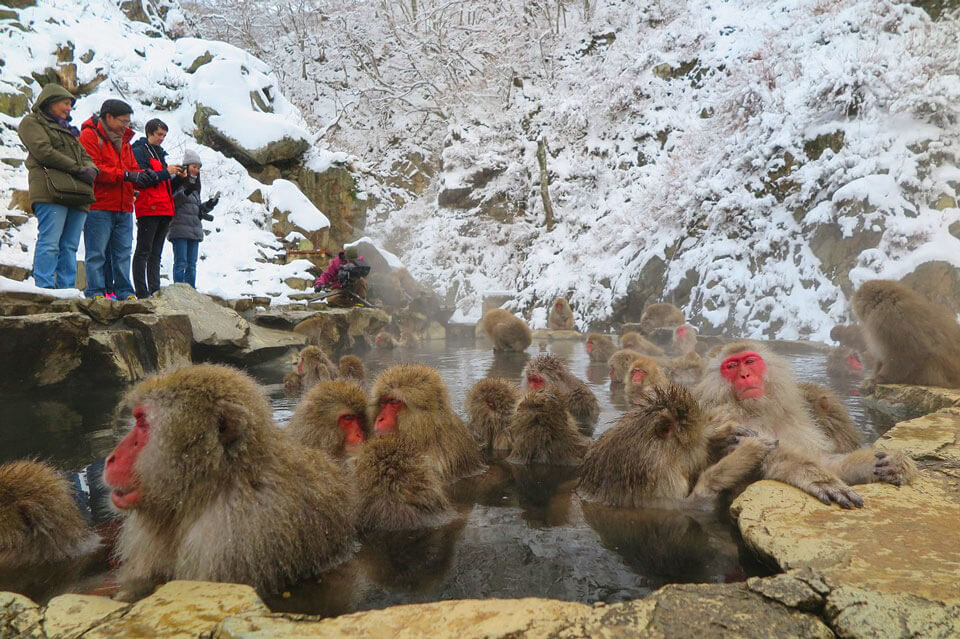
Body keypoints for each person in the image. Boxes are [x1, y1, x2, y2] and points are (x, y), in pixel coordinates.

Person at [17, 83, 97, 290]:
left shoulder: (69, 130)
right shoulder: (31, 122)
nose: (69, 108)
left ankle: (67, 290)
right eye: (65, 103)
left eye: (70, 104)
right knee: (50, 242)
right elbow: (43, 151)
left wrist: (90, 168)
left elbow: (86, 156)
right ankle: (44, 288)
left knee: (69, 247)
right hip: (50, 191)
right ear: (50, 101)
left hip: (77, 194)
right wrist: (79, 169)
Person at [79, 99, 156, 300]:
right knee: (97, 253)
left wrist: (144, 176)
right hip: (99, 205)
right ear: (108, 117)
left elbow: (131, 169)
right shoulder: (89, 136)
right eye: (123, 121)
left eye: (128, 122)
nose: (126, 126)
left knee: (123, 253)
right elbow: (93, 168)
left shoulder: (125, 142)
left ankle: (124, 291)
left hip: (124, 207)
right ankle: (95, 292)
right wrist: (128, 176)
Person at [130, 119, 180, 298]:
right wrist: (167, 172)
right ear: (149, 133)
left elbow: (163, 183)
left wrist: (178, 177)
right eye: (159, 134)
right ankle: (142, 291)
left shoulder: (160, 154)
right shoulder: (139, 151)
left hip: (164, 208)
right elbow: (143, 178)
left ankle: (155, 289)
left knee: (156, 252)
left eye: (164, 135)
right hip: (148, 207)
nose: (162, 138)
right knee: (143, 250)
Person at [168, 149, 217, 288]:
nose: (196, 170)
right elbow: (174, 201)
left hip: (194, 230)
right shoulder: (177, 181)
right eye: (194, 167)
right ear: (187, 166)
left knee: (192, 265)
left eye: (198, 167)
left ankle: (191, 292)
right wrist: (187, 188)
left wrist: (209, 205)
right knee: (180, 262)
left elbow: (196, 210)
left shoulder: (196, 185)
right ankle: (178, 292)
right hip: (179, 229)